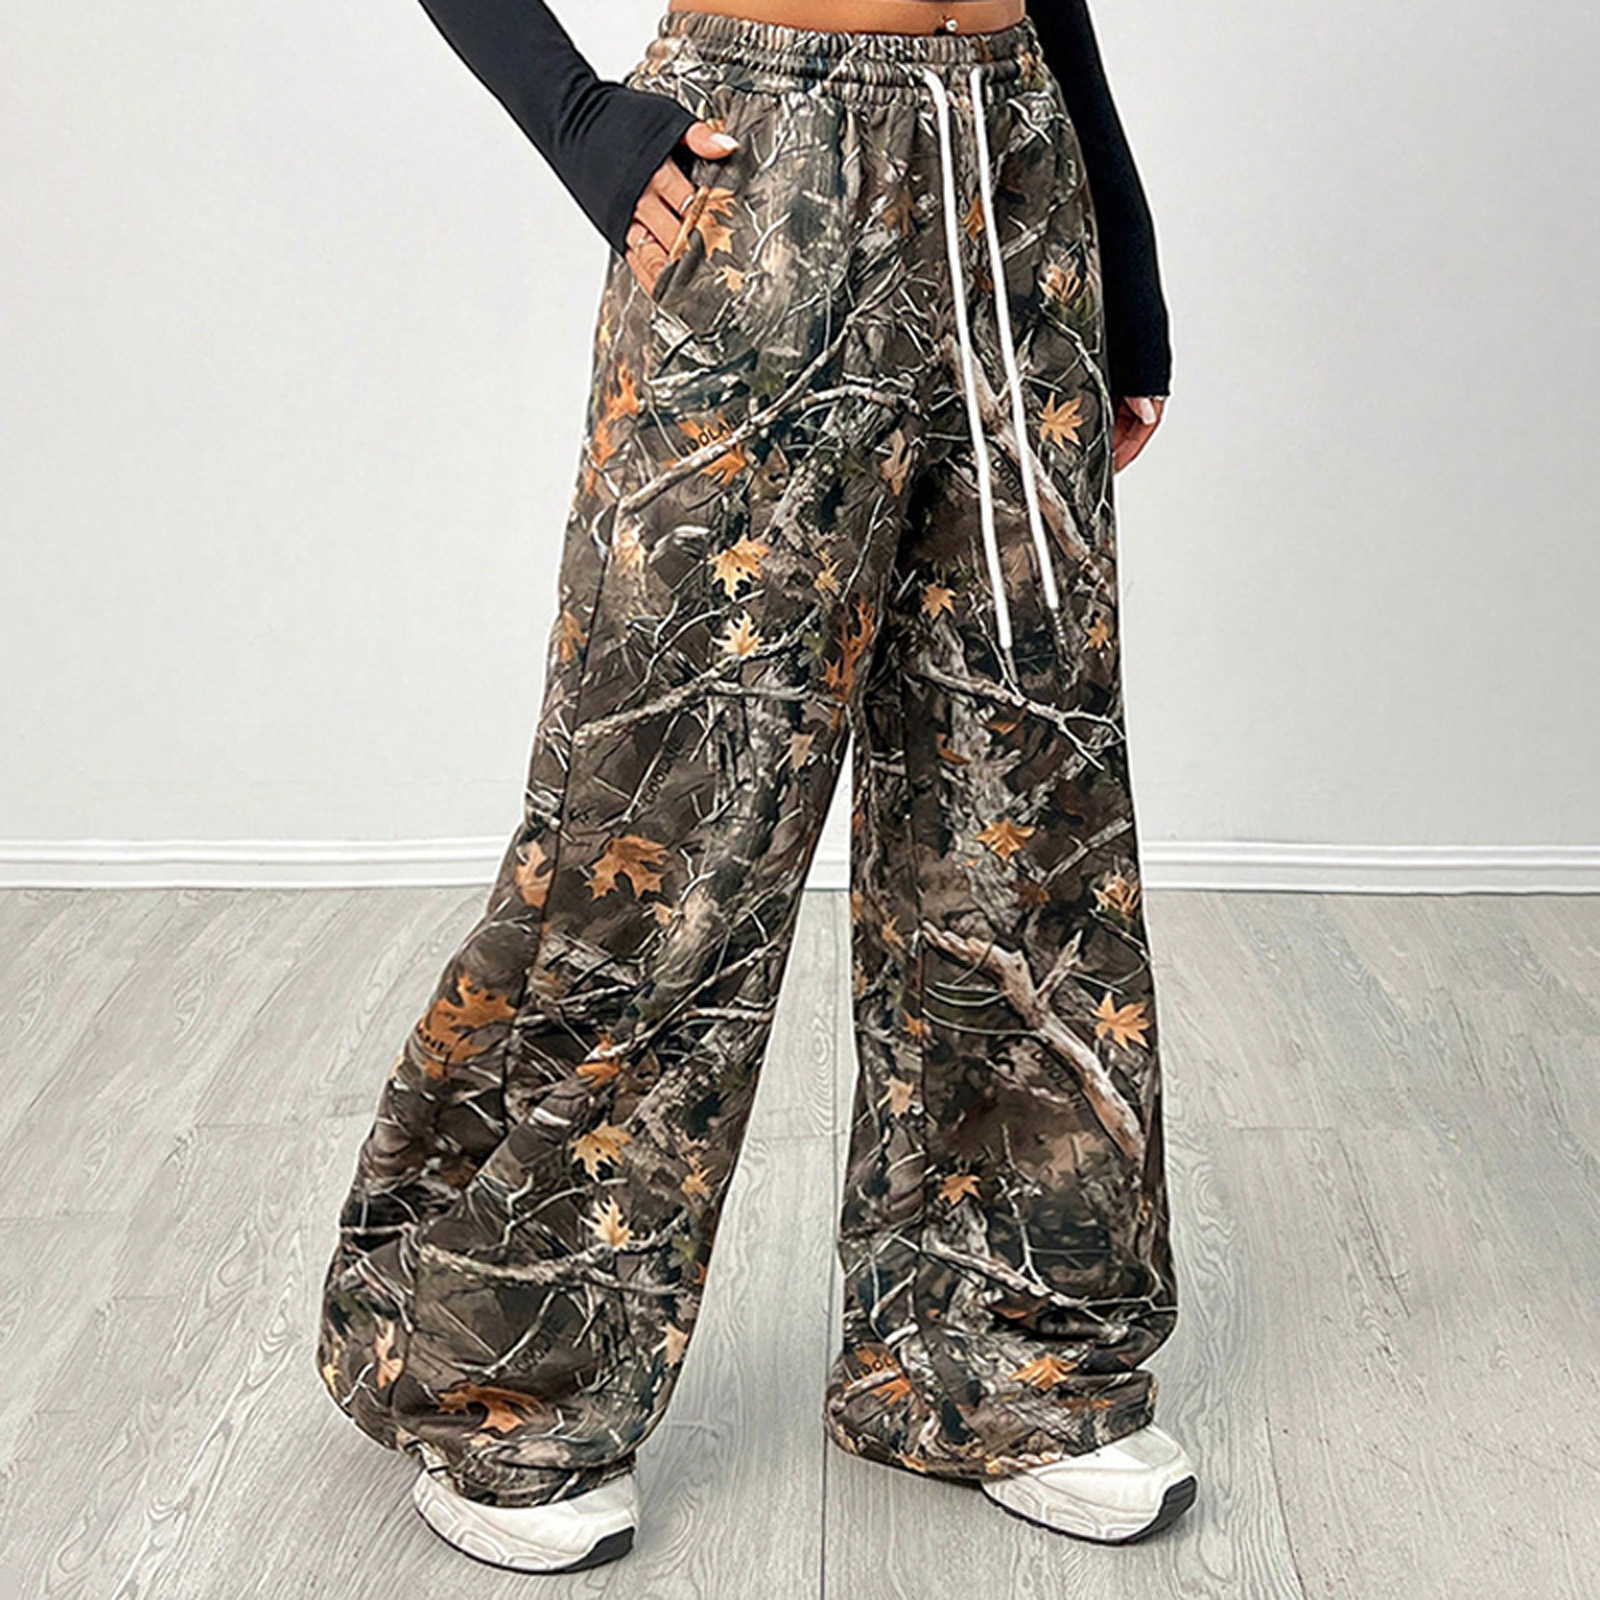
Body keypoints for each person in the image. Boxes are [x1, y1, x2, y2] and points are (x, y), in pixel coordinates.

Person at [316, 0, 1193, 1573]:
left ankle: (994, 1362)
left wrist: (1119, 248)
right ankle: (505, 1374)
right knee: (672, 809)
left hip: (1010, 174)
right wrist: (578, 119)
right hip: (762, 170)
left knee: (1022, 809)